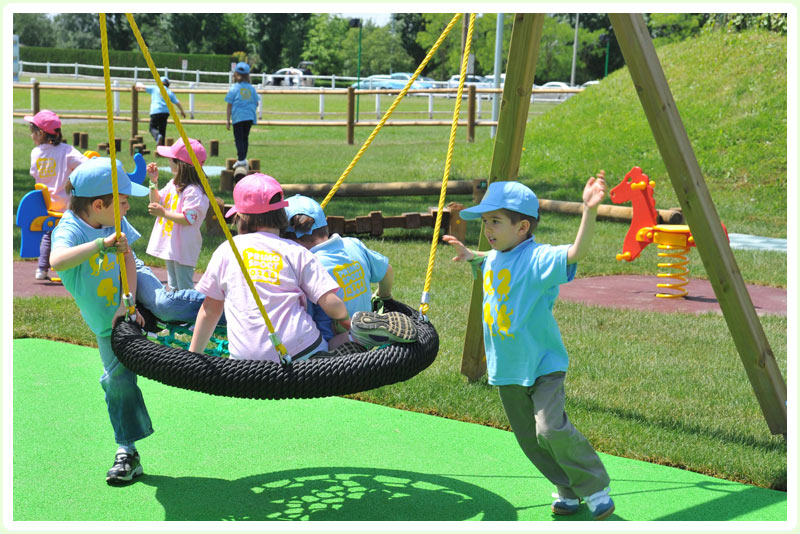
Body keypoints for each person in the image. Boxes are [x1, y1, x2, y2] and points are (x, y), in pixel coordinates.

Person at [442, 174, 615, 521]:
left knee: (549, 429)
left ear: (522, 227)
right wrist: (472, 255)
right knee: (529, 440)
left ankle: (595, 487)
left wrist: (589, 211)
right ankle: (566, 488)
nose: (488, 229)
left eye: (495, 221)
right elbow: (493, 262)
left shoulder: (538, 258)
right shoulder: (495, 256)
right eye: (485, 221)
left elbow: (576, 252)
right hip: (507, 368)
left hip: (542, 364)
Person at [189, 174, 415, 361]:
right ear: (281, 216)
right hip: (303, 349)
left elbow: (210, 309)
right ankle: (356, 336)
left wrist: (193, 356)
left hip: (245, 358)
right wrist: (345, 320)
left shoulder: (227, 249)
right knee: (327, 343)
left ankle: (351, 341)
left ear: (240, 218)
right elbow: (331, 303)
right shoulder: (296, 252)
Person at [49, 157, 152, 486]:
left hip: (131, 295)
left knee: (167, 303)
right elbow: (57, 260)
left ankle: (225, 312)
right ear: (98, 205)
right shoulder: (71, 228)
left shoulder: (115, 221)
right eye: (124, 201)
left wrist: (129, 301)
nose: (128, 208)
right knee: (118, 382)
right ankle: (127, 452)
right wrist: (99, 245)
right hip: (110, 324)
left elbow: (129, 260)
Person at [282, 194, 408, 350]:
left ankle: (355, 336)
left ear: (289, 240)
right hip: (364, 320)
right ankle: (366, 330)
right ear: (325, 225)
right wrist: (385, 297)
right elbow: (387, 270)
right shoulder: (352, 244)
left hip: (336, 343)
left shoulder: (307, 264)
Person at [24, 109, 88, 280]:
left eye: (32, 132)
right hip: (68, 205)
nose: (31, 136)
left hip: (47, 205)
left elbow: (34, 174)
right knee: (78, 232)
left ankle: (42, 269)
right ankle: (72, 267)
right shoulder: (67, 151)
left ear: (40, 133)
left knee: (49, 234)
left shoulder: (36, 153)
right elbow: (85, 164)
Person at [145, 137, 210, 290]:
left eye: (171, 159)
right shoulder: (174, 184)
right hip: (172, 243)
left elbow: (189, 219)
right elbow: (156, 201)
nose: (168, 161)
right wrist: (153, 181)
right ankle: (176, 305)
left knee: (184, 287)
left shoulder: (194, 191)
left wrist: (164, 213)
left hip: (184, 246)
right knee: (173, 285)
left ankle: (187, 306)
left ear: (181, 164)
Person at [225, 62, 260, 170]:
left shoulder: (234, 88)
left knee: (238, 138)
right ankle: (243, 158)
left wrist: (227, 120)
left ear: (235, 74)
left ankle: (241, 159)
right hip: (249, 116)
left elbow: (229, 105)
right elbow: (256, 102)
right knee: (245, 138)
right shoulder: (251, 88)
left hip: (238, 117)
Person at [136, 76, 186, 146]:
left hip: (155, 111)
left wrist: (138, 84)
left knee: (152, 128)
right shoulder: (169, 92)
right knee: (162, 130)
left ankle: (157, 136)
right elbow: (177, 102)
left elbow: (142, 86)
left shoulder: (155, 88)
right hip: (165, 113)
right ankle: (162, 148)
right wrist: (182, 111)